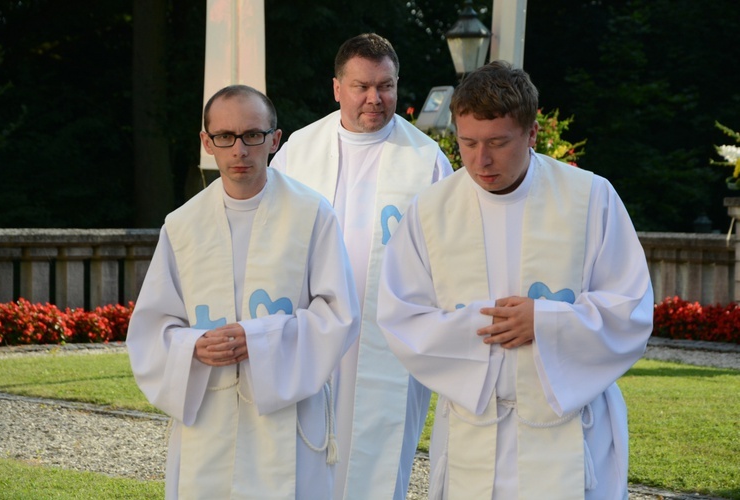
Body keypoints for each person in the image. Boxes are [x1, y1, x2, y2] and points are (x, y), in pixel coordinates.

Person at [377, 61, 654, 500]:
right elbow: (401, 316)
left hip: (568, 436)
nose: (480, 160)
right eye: (467, 143)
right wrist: (483, 330)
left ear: (531, 134)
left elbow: (631, 308)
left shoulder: (589, 197)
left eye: (498, 143)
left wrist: (544, 323)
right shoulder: (431, 211)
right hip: (475, 429)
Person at [126, 84, 360, 499]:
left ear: (274, 139)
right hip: (209, 414)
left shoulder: (312, 214)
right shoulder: (182, 225)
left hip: (288, 416)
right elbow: (153, 327)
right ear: (206, 142)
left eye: (253, 135)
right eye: (225, 137)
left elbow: (338, 314)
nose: (239, 150)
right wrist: (193, 346)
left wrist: (260, 338)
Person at [270, 32, 453, 500]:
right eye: (361, 86)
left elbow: (450, 254)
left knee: (379, 452)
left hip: (388, 336)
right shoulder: (298, 150)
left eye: (386, 86)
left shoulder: (425, 160)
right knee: (304, 455)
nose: (375, 98)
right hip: (312, 331)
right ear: (337, 88)